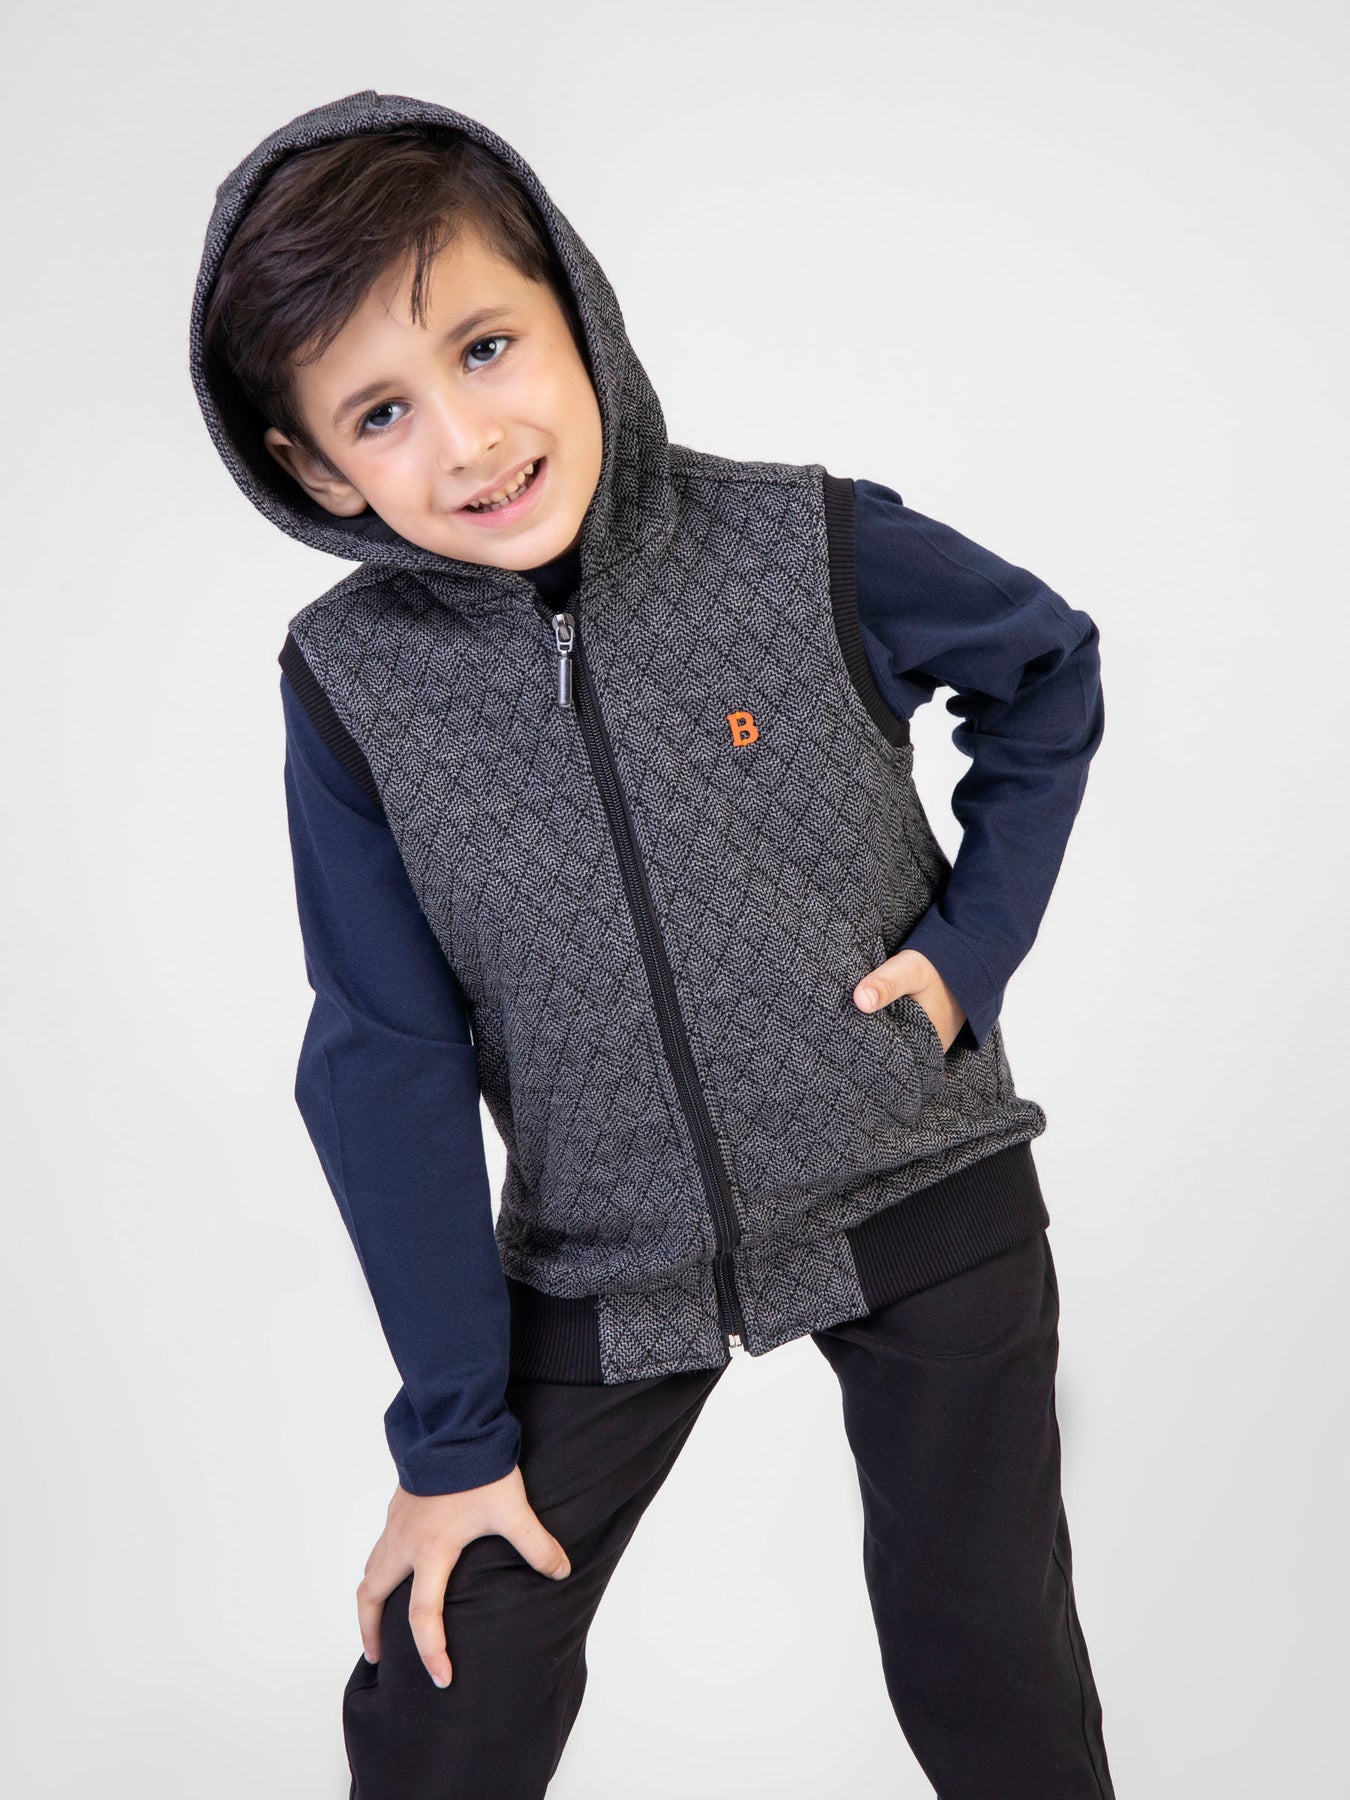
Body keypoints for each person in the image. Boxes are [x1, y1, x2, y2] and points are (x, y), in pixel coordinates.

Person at [190, 88, 1116, 1799]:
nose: (466, 442)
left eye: (484, 348)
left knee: (984, 1658)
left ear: (574, 303)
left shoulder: (799, 541)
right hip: (595, 1262)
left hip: (920, 1183)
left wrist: (973, 944)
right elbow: (384, 1056)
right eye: (381, 412)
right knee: (449, 1688)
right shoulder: (353, 686)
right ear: (311, 468)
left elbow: (1042, 668)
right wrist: (451, 1438)